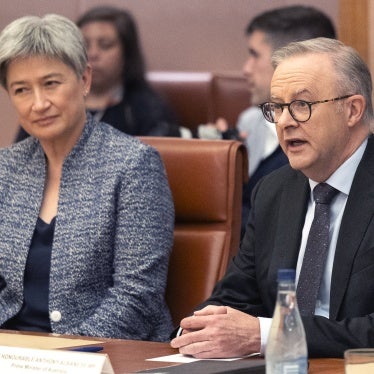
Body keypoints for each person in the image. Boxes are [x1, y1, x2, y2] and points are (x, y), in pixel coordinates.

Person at [170, 37, 374, 358]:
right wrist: (194, 332)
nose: (284, 121)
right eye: (277, 107)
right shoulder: (275, 190)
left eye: (301, 106)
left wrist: (268, 334)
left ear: (352, 110)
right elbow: (236, 295)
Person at [0, 14, 174, 342]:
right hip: (14, 351)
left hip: (102, 353)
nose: (39, 103)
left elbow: (138, 299)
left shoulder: (133, 164)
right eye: (21, 90)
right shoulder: (5, 169)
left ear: (84, 80)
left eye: (51, 83)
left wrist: (64, 358)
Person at [200, 6, 336, 237]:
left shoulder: (332, 139)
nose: (246, 69)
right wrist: (224, 159)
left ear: (288, 59)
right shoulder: (251, 120)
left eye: (254, 55)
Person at [15, 6, 181, 142]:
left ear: (127, 53)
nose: (93, 53)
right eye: (85, 45)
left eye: (105, 45)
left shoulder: (147, 110)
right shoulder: (47, 106)